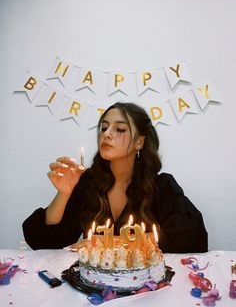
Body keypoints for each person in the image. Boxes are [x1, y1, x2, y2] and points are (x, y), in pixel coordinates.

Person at [22, 102, 208, 252]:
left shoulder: (160, 185)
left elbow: (193, 234)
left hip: (147, 292)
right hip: (92, 292)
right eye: (103, 128)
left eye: (119, 129)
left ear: (139, 142)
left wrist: (111, 242)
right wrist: (63, 194)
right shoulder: (88, 183)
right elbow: (42, 240)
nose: (106, 134)